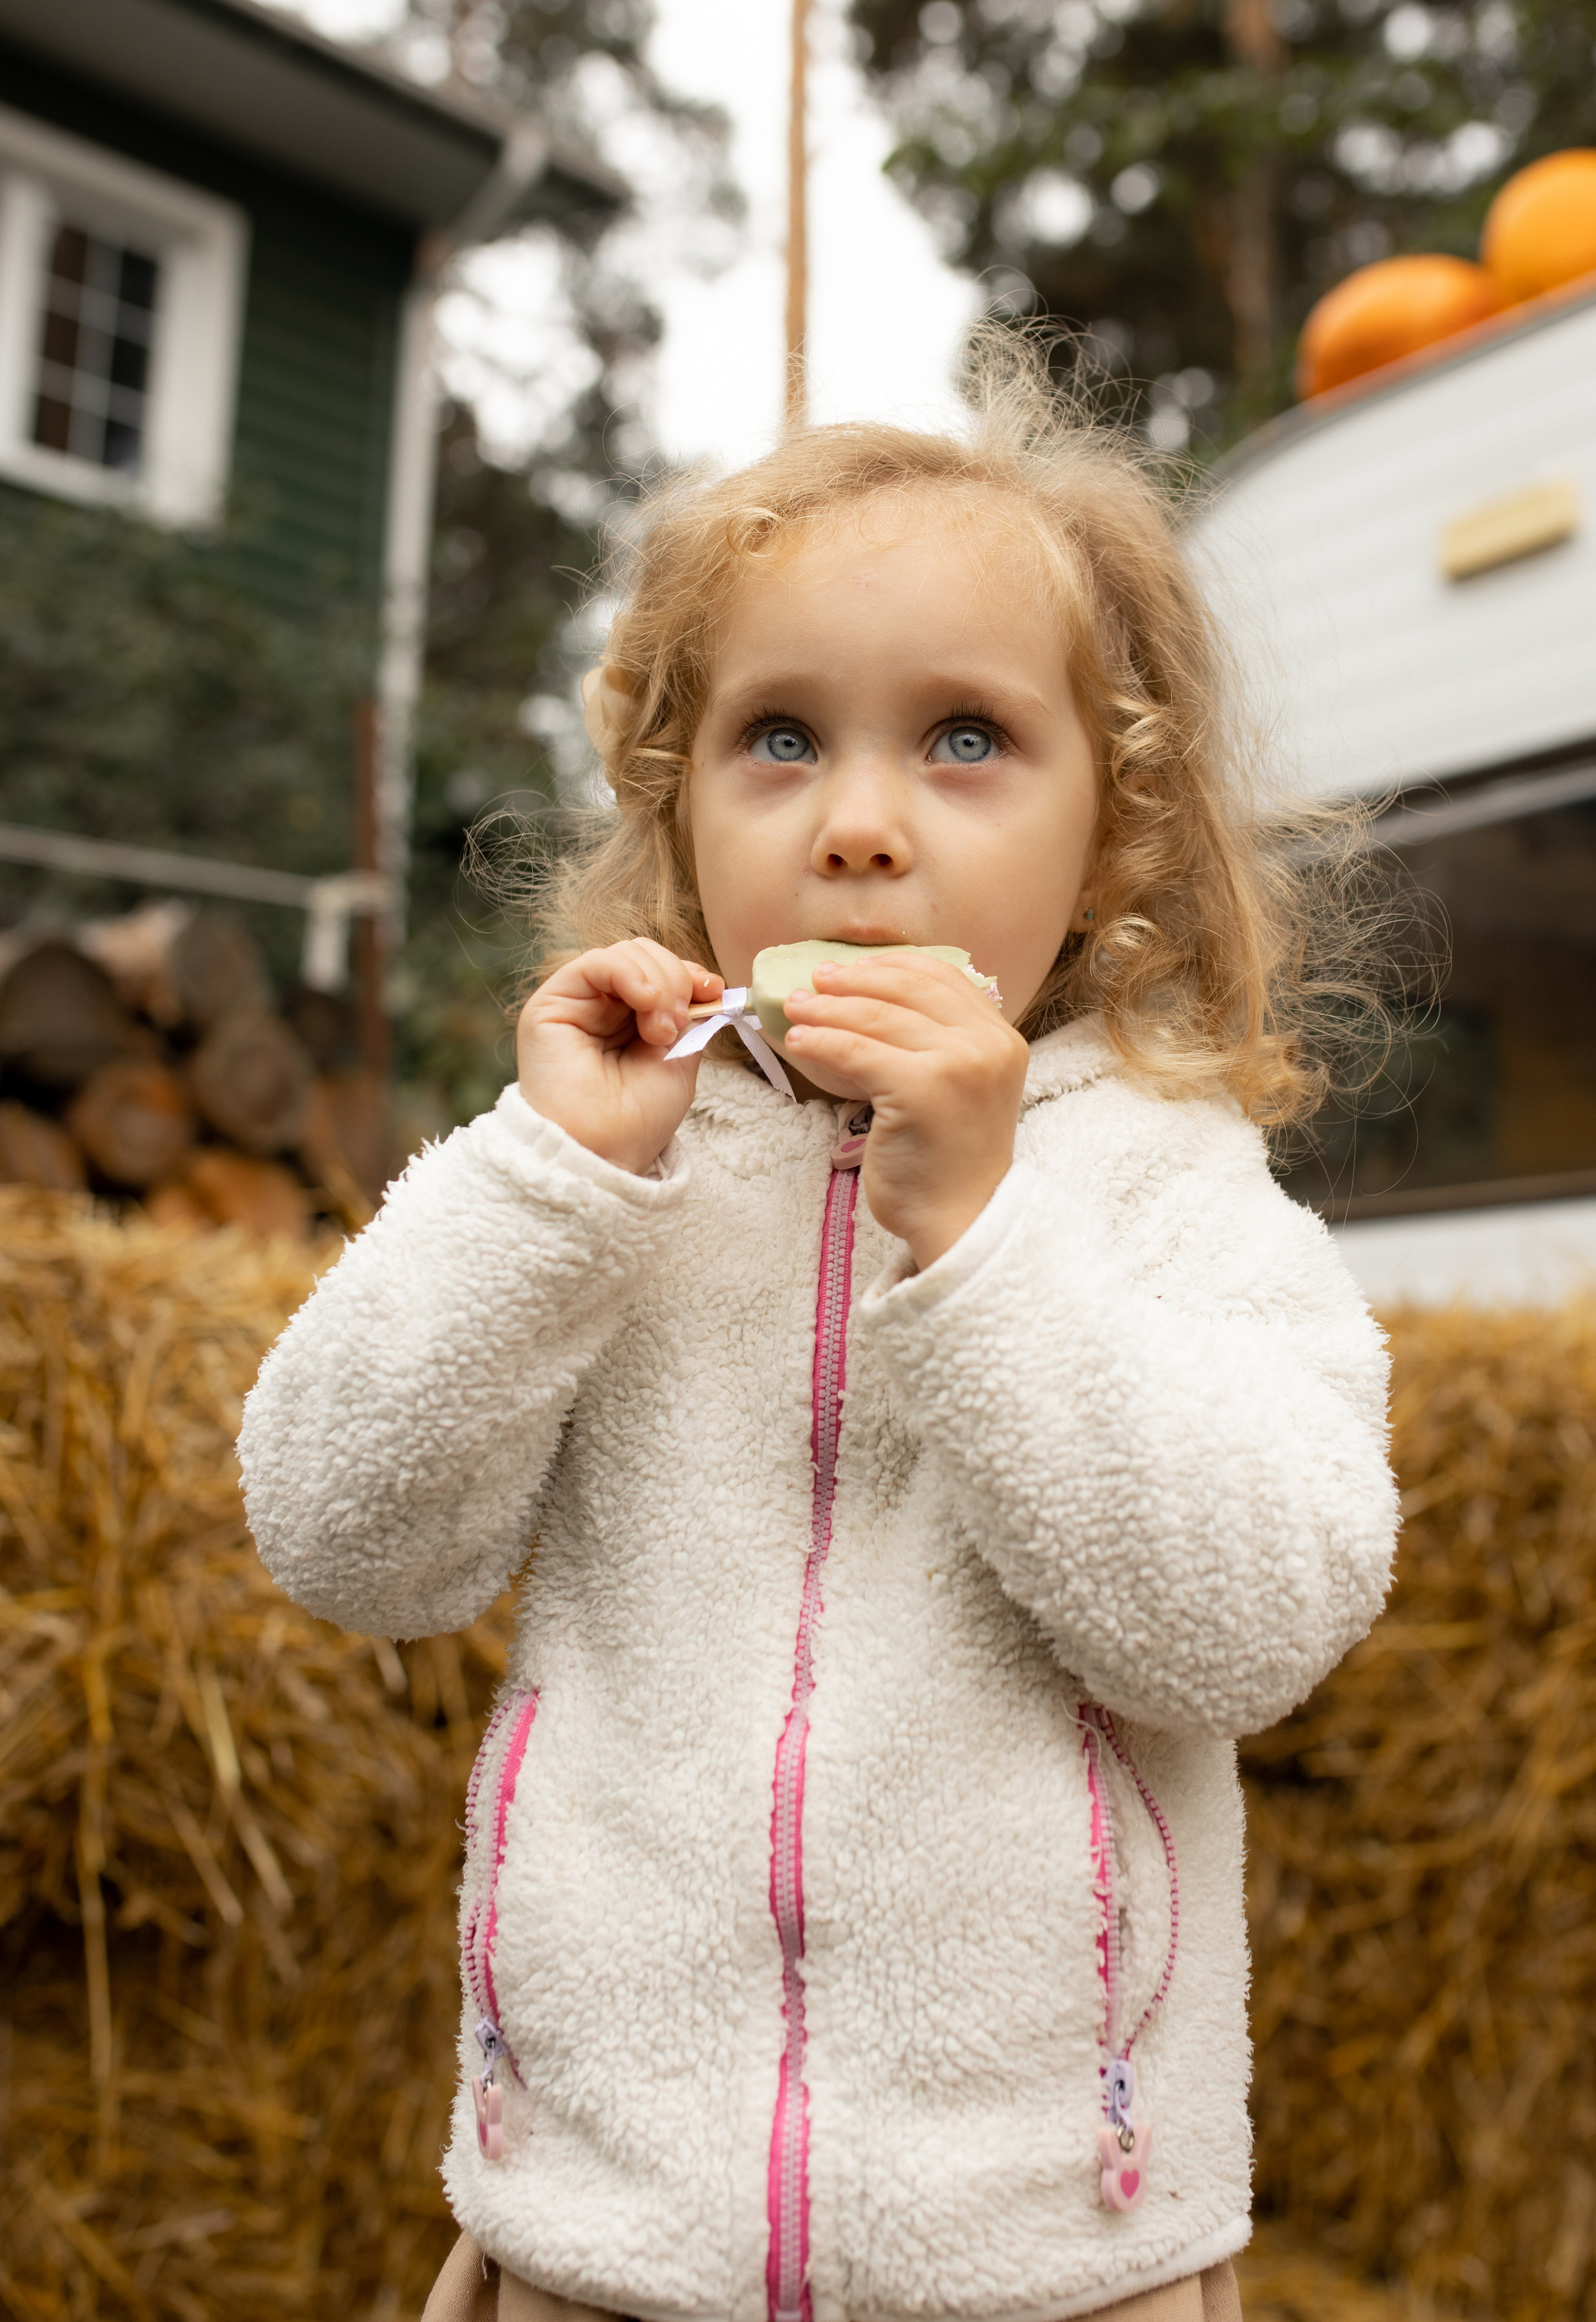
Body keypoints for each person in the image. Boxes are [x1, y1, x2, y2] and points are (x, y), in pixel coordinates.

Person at [238, 333, 1398, 2322]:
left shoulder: (1170, 1191)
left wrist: (982, 1234)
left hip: (1055, 2261)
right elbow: (348, 1543)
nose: (861, 823)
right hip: (598, 2245)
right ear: (679, 814)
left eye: (964, 740)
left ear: (1108, 839)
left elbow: (1253, 1625)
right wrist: (549, 1185)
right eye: (782, 738)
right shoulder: (610, 1169)